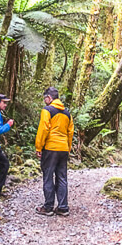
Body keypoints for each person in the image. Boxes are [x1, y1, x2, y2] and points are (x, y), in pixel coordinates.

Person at [35, 87, 74, 217]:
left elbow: (44, 129)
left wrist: (39, 147)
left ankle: (48, 207)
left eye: (45, 98)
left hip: (51, 148)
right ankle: (63, 207)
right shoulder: (67, 113)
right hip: (63, 148)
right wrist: (67, 148)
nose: (44, 100)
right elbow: (70, 133)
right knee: (62, 177)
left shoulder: (47, 110)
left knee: (48, 176)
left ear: (49, 98)